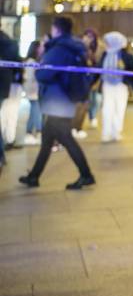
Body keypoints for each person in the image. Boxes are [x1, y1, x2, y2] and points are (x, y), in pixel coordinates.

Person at [19, 16, 95, 190]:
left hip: (57, 100)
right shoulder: (72, 46)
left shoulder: (58, 48)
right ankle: (34, 176)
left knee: (66, 139)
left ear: (57, 29)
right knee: (47, 140)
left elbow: (43, 74)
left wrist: (43, 59)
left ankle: (86, 174)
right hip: (64, 98)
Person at [98, 32, 133, 143]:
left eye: (108, 42)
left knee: (120, 109)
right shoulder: (105, 54)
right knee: (107, 109)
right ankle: (106, 133)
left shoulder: (126, 55)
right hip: (107, 85)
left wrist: (124, 72)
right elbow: (98, 69)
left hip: (121, 85)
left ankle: (116, 132)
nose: (106, 44)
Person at [72, 28, 99, 137]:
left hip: (87, 84)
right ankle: (73, 128)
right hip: (77, 83)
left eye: (91, 37)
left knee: (85, 106)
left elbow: (95, 68)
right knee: (77, 106)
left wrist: (91, 81)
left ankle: (78, 128)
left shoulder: (92, 52)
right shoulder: (77, 49)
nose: (89, 39)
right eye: (87, 36)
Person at [0, 31, 22, 150]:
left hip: (7, 84)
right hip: (8, 84)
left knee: (6, 114)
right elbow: (17, 64)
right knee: (8, 114)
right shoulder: (10, 42)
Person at [23, 40, 44, 146]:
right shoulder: (31, 62)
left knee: (33, 112)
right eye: (40, 47)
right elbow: (31, 78)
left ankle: (29, 132)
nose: (42, 49)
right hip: (33, 91)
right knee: (36, 112)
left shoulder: (33, 61)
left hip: (33, 91)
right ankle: (39, 132)